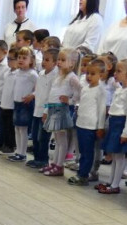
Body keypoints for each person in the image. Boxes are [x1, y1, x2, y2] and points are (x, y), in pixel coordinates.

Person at [98, 59, 127, 194]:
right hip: (114, 123)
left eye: (119, 71)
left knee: (120, 156)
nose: (115, 73)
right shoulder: (121, 89)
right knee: (114, 155)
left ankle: (115, 185)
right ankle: (111, 182)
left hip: (122, 126)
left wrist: (126, 132)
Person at [42, 47, 80, 177]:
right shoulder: (58, 76)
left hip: (62, 110)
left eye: (63, 60)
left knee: (62, 139)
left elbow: (80, 92)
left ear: (72, 63)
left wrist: (70, 101)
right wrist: (46, 110)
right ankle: (54, 163)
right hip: (53, 108)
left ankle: (59, 165)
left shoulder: (72, 77)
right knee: (57, 139)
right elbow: (51, 94)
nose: (59, 62)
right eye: (59, 59)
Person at [69, 58, 106, 185]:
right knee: (82, 151)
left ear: (101, 75)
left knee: (88, 152)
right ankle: (81, 172)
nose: (89, 76)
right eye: (88, 73)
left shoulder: (100, 90)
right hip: (81, 123)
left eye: (93, 74)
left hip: (90, 126)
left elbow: (102, 110)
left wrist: (100, 127)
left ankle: (84, 175)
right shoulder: (85, 88)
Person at [26, 47, 57, 169]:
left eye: (47, 60)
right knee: (34, 136)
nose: (43, 62)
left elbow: (51, 96)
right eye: (43, 59)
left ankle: (43, 160)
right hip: (37, 109)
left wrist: (46, 111)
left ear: (54, 62)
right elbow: (39, 90)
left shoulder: (54, 77)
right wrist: (33, 95)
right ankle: (36, 158)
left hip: (46, 111)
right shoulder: (41, 74)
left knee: (43, 137)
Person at [8, 46, 37, 162]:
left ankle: (22, 153)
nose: (21, 60)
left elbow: (40, 88)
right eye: (19, 57)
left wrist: (32, 95)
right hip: (17, 103)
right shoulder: (17, 72)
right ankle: (18, 151)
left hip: (25, 104)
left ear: (31, 60)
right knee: (17, 128)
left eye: (24, 58)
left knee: (23, 129)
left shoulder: (32, 74)